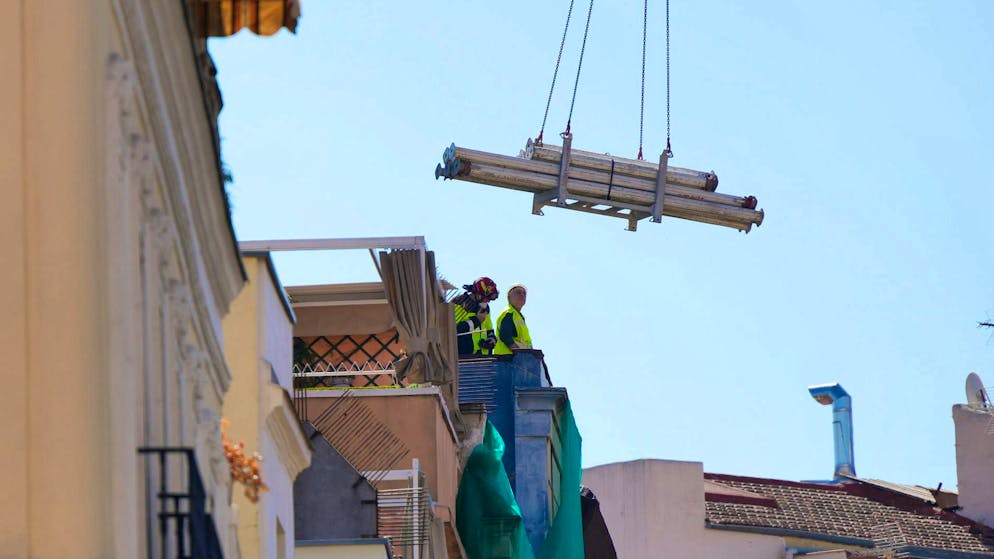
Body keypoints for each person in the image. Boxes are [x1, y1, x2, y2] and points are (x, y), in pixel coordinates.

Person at [453, 277, 499, 356]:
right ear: (477, 294)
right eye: (486, 298)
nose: (487, 301)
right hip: (464, 358)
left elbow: (489, 329)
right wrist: (476, 321)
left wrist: (492, 339)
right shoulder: (459, 302)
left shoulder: (485, 306)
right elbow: (453, 329)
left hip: (484, 357)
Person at [494, 283, 532, 355]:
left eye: (524, 293)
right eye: (518, 292)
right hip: (507, 360)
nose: (522, 295)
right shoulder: (509, 313)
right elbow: (505, 336)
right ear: (509, 297)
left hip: (516, 361)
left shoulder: (518, 316)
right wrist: (519, 354)